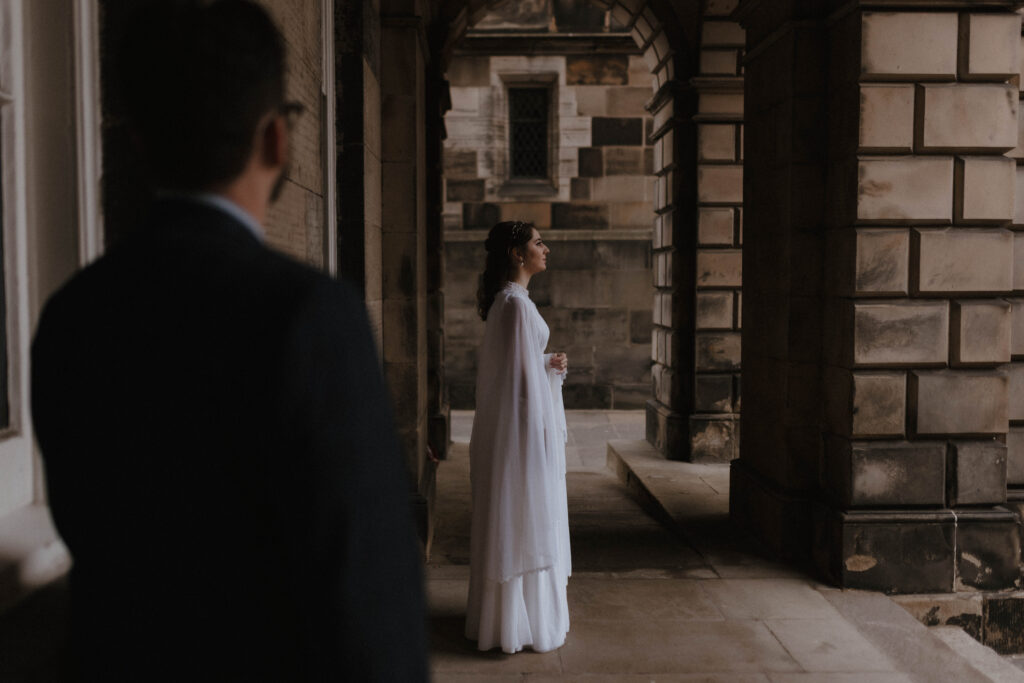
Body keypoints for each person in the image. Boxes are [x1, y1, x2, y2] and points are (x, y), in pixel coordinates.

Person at [30, 2, 427, 680]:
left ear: (139, 143)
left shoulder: (72, 314)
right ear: (276, 140)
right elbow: (371, 610)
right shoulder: (309, 316)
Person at [464, 220, 571, 654]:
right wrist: (537, 443)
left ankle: (521, 616)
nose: (546, 248)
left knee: (525, 519)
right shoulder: (513, 305)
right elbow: (514, 389)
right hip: (521, 436)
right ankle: (516, 623)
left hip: (523, 427)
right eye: (538, 242)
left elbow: (518, 369)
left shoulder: (513, 302)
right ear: (516, 253)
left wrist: (546, 364)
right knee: (523, 517)